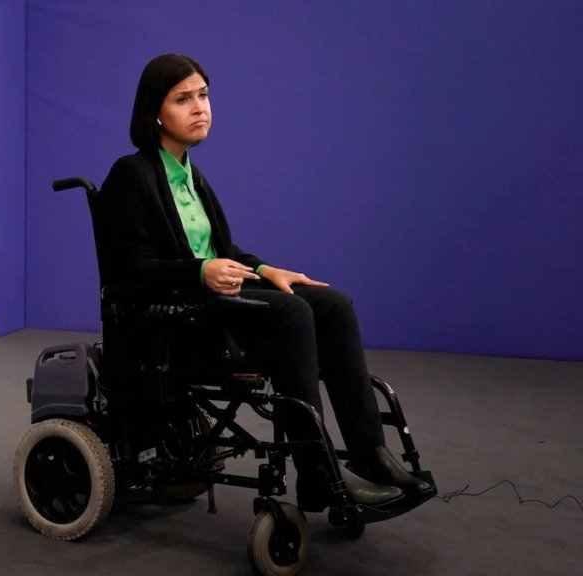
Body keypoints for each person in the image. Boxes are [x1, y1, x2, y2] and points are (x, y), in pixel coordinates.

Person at [99, 53, 434, 511]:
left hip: (210, 299)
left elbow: (225, 254)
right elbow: (129, 267)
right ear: (155, 112)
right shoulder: (131, 174)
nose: (200, 108)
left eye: (203, 95)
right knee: (292, 314)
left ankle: (371, 454)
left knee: (331, 303)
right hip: (175, 318)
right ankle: (317, 475)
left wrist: (265, 270)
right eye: (183, 99)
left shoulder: (192, 177)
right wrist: (198, 271)